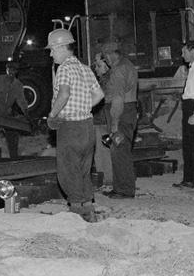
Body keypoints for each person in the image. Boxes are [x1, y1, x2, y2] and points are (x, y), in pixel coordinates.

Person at [46, 28, 103, 223]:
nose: (51, 53)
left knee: (68, 170)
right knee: (83, 168)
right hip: (87, 125)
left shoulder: (64, 68)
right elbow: (99, 95)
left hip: (70, 127)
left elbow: (63, 94)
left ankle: (78, 211)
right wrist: (84, 107)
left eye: (53, 49)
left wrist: (53, 114)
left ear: (62, 48)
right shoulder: (85, 68)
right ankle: (88, 205)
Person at [99, 42, 139, 199]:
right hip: (125, 111)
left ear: (109, 55)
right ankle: (118, 188)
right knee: (117, 151)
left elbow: (118, 99)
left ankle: (126, 190)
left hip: (122, 113)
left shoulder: (119, 69)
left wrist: (115, 123)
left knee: (121, 151)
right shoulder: (125, 65)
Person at [174, 41, 194, 190]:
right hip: (188, 105)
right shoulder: (192, 68)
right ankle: (189, 178)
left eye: (184, 52)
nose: (182, 55)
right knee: (187, 144)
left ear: (193, 51)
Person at [91, 53, 114, 191]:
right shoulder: (104, 80)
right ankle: (106, 180)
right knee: (102, 152)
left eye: (99, 66)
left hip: (103, 120)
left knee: (103, 152)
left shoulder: (107, 81)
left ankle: (107, 180)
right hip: (101, 119)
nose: (96, 69)